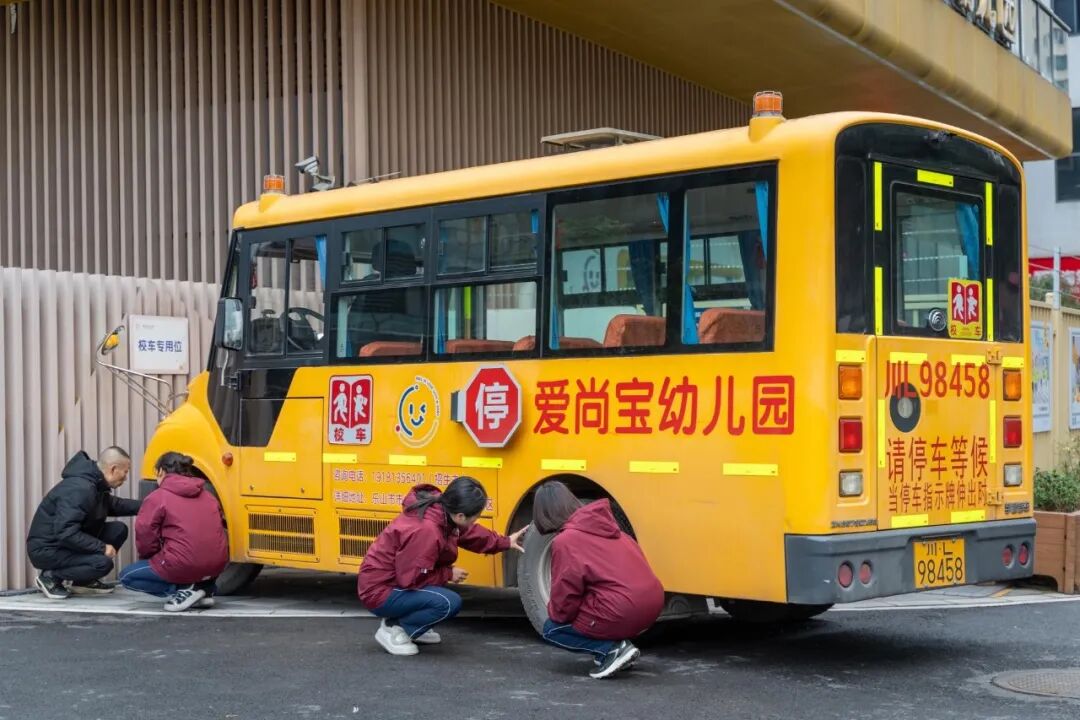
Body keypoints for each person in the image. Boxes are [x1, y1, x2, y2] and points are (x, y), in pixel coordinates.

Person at [357, 477, 526, 656]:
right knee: (447, 602)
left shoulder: (442, 513)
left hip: (391, 583)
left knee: (440, 590)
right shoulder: (427, 530)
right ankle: (395, 628)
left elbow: (469, 534)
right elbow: (410, 579)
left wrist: (505, 542)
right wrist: (447, 573)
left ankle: (413, 625)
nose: (476, 520)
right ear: (460, 516)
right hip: (380, 591)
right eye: (475, 517)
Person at [532, 481, 665, 679]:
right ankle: (619, 648)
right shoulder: (614, 530)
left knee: (552, 629)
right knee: (597, 598)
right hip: (652, 606)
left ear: (544, 513)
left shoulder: (566, 540)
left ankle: (610, 650)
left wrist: (556, 613)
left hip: (622, 610)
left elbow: (566, 594)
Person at [119, 452, 229, 612]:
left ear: (160, 471)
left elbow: (145, 536)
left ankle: (184, 591)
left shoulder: (157, 497)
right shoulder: (209, 496)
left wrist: (152, 557)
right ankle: (204, 589)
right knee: (194, 561)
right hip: (217, 565)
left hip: (182, 564)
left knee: (127, 576)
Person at [26, 447, 140, 599]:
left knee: (118, 529)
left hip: (64, 543)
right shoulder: (80, 489)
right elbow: (65, 532)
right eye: (125, 472)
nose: (126, 477)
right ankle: (51, 577)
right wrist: (101, 547)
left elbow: (116, 505)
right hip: (48, 549)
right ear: (113, 469)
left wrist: (151, 504)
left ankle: (83, 582)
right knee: (102, 563)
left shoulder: (95, 485)